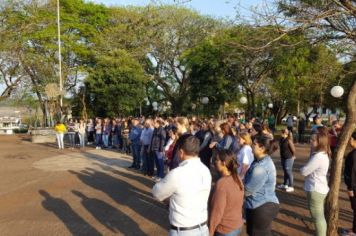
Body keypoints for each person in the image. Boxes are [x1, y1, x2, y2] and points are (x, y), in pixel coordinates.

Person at [152, 136, 211, 236]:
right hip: (203, 228)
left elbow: (157, 193)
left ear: (181, 152)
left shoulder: (177, 173)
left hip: (184, 230)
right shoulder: (206, 170)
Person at [244, 136, 279, 236]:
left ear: (262, 148)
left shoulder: (261, 167)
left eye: (254, 144)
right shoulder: (260, 161)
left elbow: (248, 190)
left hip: (261, 206)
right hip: (259, 205)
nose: (251, 146)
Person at [300, 128, 330, 236]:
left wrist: (302, 169)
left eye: (313, 141)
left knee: (318, 218)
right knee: (319, 217)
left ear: (319, 142)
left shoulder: (318, 157)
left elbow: (304, 171)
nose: (310, 142)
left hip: (315, 189)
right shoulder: (321, 154)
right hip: (319, 188)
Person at [209, 150, 244, 236]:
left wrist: (210, 232)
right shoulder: (237, 178)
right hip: (237, 225)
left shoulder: (222, 184)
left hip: (224, 229)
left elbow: (216, 213)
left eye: (216, 160)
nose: (214, 162)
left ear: (224, 163)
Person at [343, 131, 356, 236]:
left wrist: (350, 188)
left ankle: (354, 231)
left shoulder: (353, 155)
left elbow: (351, 173)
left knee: (355, 208)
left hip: (354, 186)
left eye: (351, 139)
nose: (350, 140)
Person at [277, 128, 296, 192]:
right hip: (283, 157)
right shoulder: (282, 139)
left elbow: (293, 149)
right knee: (285, 171)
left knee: (288, 171)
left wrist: (293, 156)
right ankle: (285, 184)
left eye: (281, 132)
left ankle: (291, 186)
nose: (279, 134)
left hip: (289, 158)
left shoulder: (289, 140)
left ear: (284, 133)